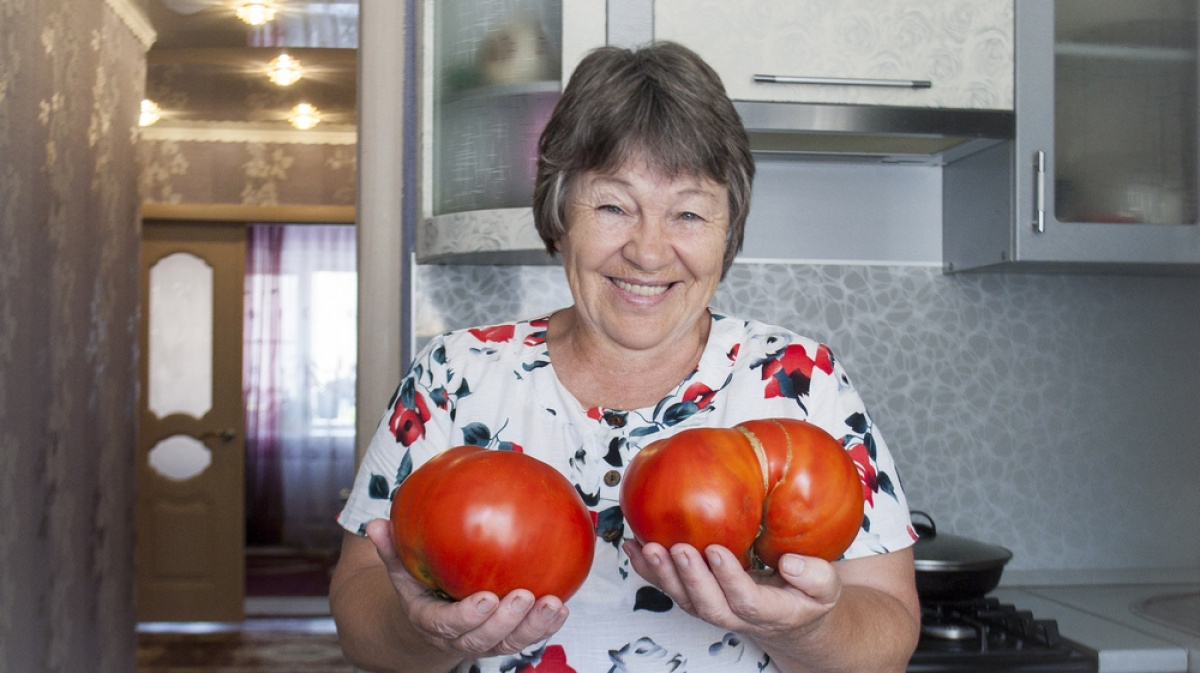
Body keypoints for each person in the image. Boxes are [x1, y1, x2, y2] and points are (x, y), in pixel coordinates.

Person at [331, 41, 920, 673]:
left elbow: (888, 627)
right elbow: (360, 609)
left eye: (689, 213)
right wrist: (429, 635)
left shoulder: (802, 380)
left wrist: (803, 629)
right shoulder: (454, 374)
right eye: (613, 206)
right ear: (559, 213)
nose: (648, 251)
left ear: (730, 230)